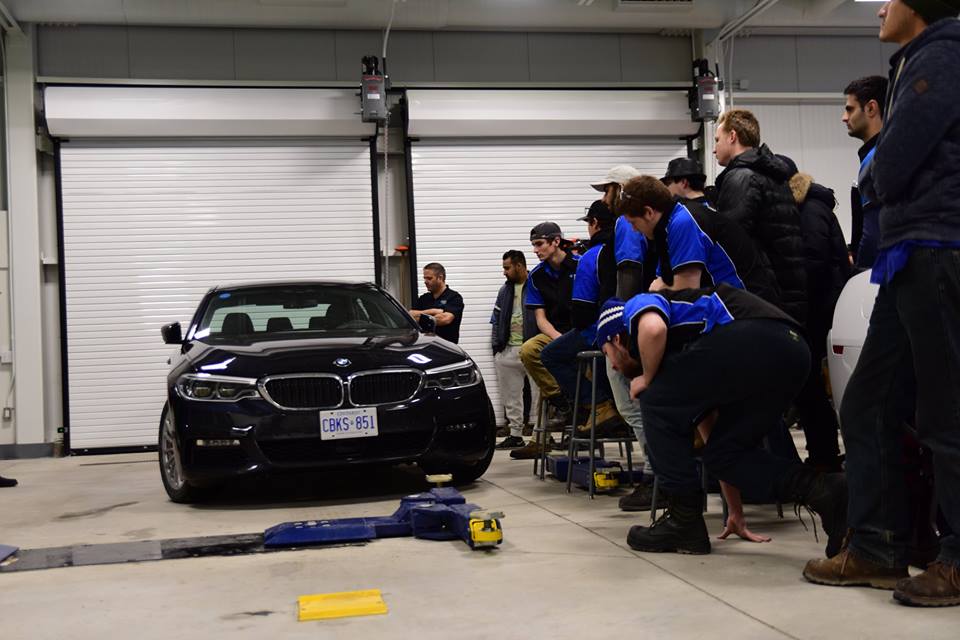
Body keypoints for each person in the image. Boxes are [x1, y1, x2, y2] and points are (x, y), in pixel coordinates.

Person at [804, 0, 960, 608]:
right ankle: (877, 546)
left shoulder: (942, 54)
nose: (878, 6)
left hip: (936, 248)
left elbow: (887, 166)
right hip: (908, 256)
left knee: (946, 412)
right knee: (867, 401)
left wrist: (873, 174)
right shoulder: (918, 60)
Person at [595, 287, 847, 557]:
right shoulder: (688, 361)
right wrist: (736, 512)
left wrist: (646, 378)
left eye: (607, 353)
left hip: (756, 336)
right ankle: (826, 491)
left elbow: (653, 329)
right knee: (722, 455)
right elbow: (711, 430)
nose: (612, 366)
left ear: (617, 338)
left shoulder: (635, 307)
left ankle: (683, 521)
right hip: (792, 352)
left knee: (654, 397)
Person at [782, 159, 852, 472]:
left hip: (821, 310)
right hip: (820, 308)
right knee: (812, 388)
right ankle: (823, 454)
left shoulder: (809, 209)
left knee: (813, 388)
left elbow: (813, 260)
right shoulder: (808, 206)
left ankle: (824, 457)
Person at [617, 175, 780, 303]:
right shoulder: (665, 228)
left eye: (633, 222)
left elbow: (687, 287)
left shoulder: (684, 221)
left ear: (648, 212)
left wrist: (659, 287)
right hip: (733, 302)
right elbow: (665, 281)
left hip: (748, 306)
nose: (633, 229)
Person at [714, 108, 808, 323]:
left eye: (717, 140)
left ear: (733, 136)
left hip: (760, 295)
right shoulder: (776, 177)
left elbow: (731, 243)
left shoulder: (741, 177)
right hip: (788, 290)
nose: (714, 148)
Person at [541, 200, 625, 437]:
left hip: (600, 330)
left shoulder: (592, 256)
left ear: (595, 223)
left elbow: (582, 310)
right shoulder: (629, 248)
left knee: (550, 354)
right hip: (632, 328)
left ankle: (599, 405)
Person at [512, 222, 580, 460]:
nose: (535, 250)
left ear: (556, 241)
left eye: (539, 244)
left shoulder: (581, 266)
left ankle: (580, 421)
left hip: (583, 330)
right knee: (529, 349)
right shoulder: (537, 276)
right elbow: (541, 319)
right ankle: (561, 402)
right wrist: (559, 340)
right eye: (533, 245)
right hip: (556, 331)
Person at [492, 250, 539, 450]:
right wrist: (497, 347)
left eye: (507, 267)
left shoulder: (537, 285)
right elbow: (496, 319)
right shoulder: (504, 291)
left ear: (519, 265)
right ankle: (516, 434)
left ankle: (539, 434)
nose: (504, 272)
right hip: (509, 348)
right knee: (511, 395)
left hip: (532, 347)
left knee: (539, 394)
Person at [843, 75, 888, 269]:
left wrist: (860, 272)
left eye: (849, 109)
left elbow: (874, 232)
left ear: (871, 108)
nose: (844, 117)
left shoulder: (876, 159)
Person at [409, 263, 464, 344]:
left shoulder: (454, 297)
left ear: (440, 278)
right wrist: (434, 311)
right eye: (424, 278)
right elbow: (411, 315)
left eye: (429, 278)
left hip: (446, 348)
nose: (425, 282)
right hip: (424, 346)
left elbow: (444, 319)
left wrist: (421, 316)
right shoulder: (424, 298)